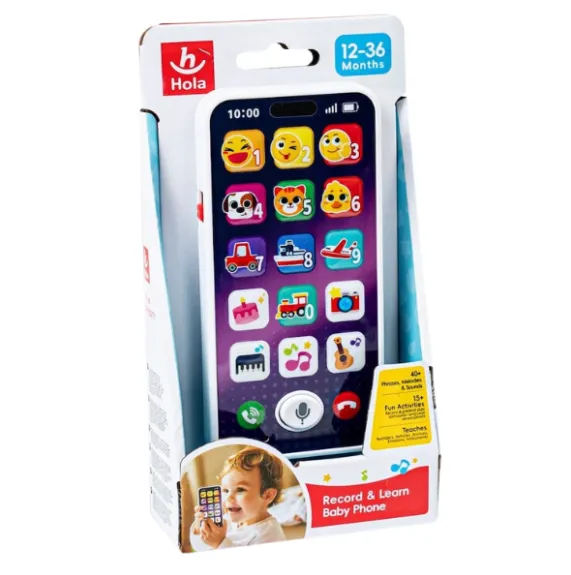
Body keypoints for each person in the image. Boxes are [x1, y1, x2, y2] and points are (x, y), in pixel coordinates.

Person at [190, 446, 287, 550]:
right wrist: (200, 529)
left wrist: (220, 543)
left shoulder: (269, 535)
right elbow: (201, 548)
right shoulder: (227, 520)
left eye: (240, 489)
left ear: (268, 495)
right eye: (225, 490)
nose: (229, 498)